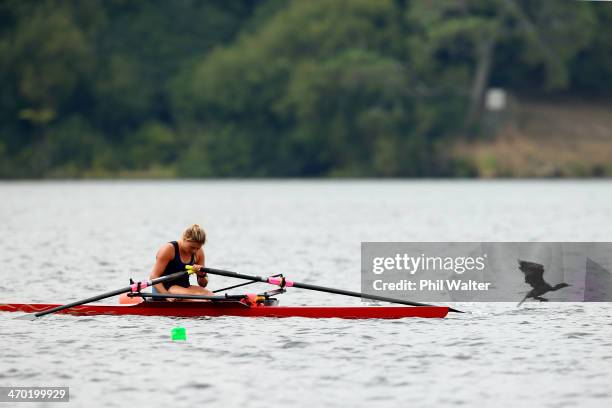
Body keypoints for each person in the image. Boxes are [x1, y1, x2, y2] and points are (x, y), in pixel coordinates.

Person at [150, 224, 212, 301]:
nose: (194, 251)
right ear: (184, 239)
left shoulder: (199, 252)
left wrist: (201, 275)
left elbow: (203, 284)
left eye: (197, 248)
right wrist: (166, 295)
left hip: (184, 287)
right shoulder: (169, 249)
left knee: (211, 296)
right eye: (192, 247)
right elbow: (153, 277)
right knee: (201, 300)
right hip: (164, 289)